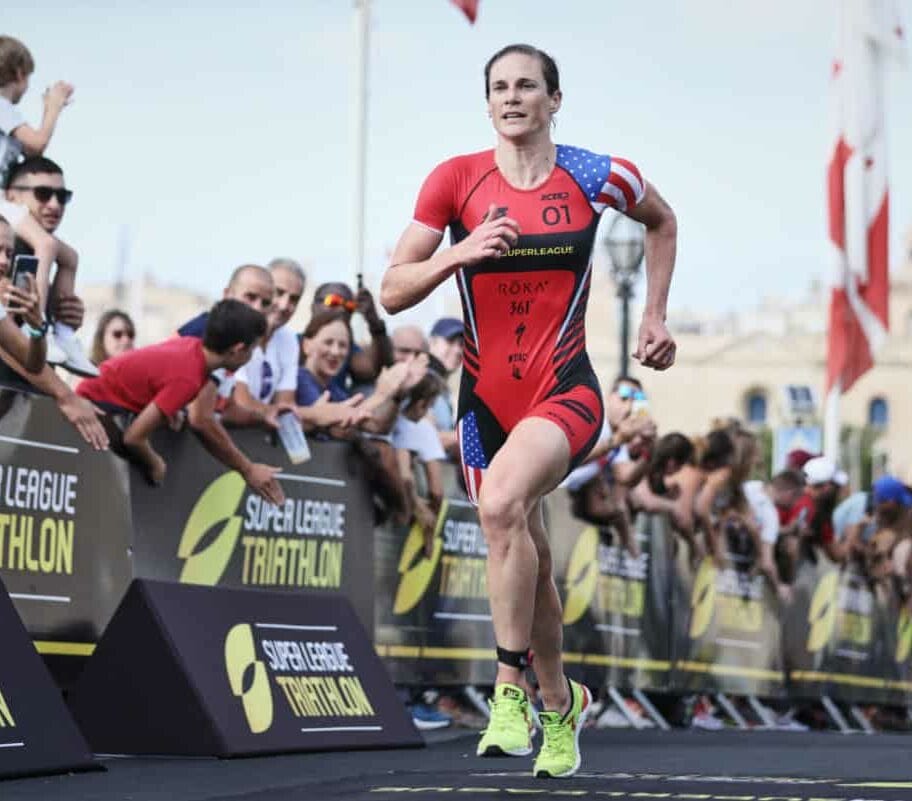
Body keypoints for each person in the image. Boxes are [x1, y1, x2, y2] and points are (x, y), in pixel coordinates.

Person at [380, 43, 677, 778]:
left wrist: (657, 317)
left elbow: (662, 221)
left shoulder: (594, 174)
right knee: (526, 552)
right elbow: (391, 289)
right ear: (487, 104)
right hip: (486, 401)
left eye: (527, 86)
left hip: (565, 390)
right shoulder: (455, 180)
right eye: (500, 88)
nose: (512, 98)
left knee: (504, 502)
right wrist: (459, 253)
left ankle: (506, 686)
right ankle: (559, 702)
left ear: (554, 98)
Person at [76, 300, 265, 485]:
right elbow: (133, 437)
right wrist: (155, 463)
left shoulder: (191, 345)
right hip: (94, 406)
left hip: (96, 395)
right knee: (135, 470)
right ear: (238, 350)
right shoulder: (188, 379)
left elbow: (156, 374)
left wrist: (171, 406)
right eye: (252, 350)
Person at [5, 156, 95, 375]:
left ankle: (62, 337)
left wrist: (63, 318)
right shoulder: (13, 242)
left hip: (21, 391)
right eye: (42, 194)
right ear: (12, 197)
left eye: (63, 197)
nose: (54, 204)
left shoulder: (47, 253)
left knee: (68, 255)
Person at [311, 281, 393, 394]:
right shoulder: (293, 343)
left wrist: (373, 320)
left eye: (348, 306)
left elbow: (373, 370)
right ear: (314, 306)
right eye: (334, 301)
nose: (341, 309)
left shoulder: (345, 348)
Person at [426, 317, 463, 457]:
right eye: (450, 341)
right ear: (432, 342)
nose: (457, 350)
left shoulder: (444, 388)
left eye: (462, 345)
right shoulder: (422, 379)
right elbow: (428, 437)